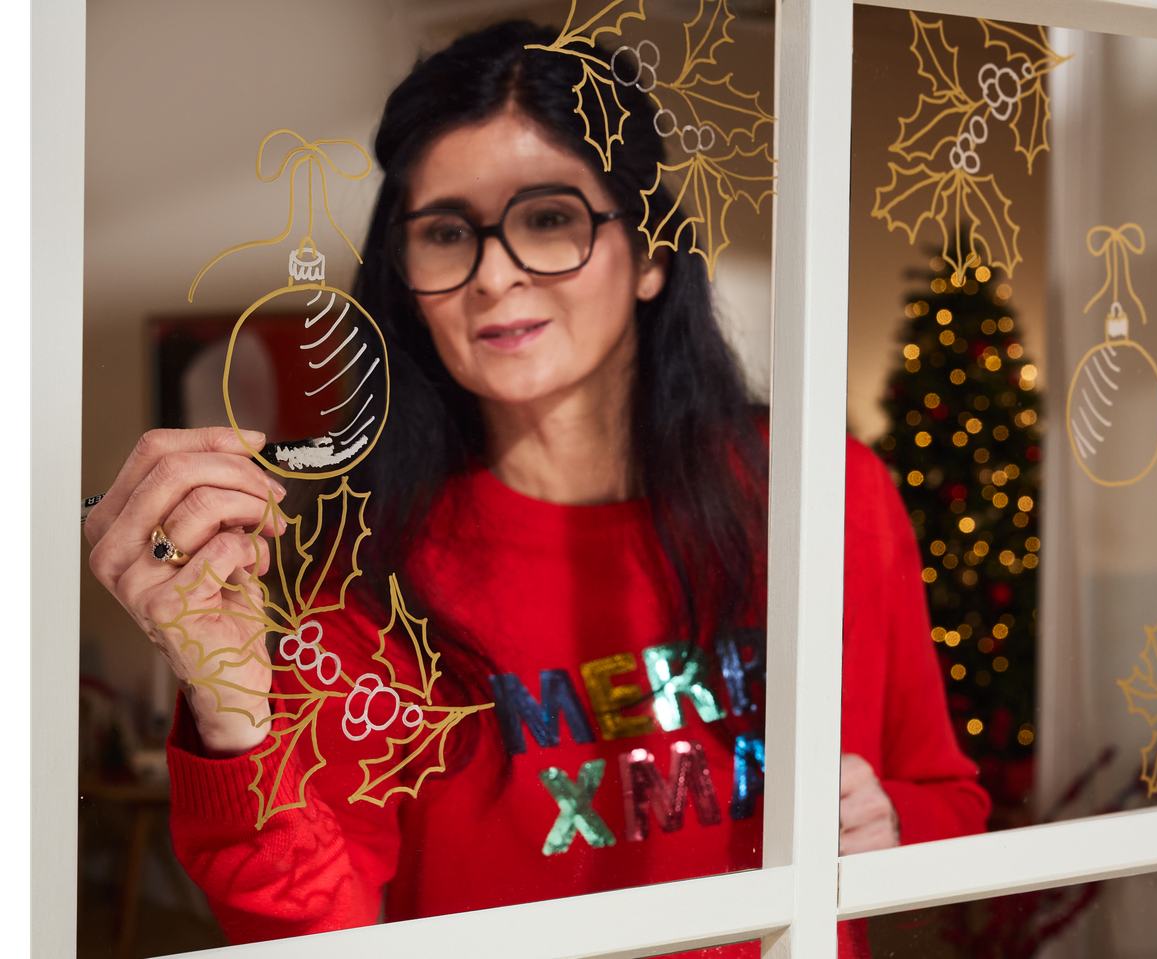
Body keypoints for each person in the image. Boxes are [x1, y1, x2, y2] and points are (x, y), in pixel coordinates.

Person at [85, 20, 988, 957]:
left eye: (549, 217)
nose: (495, 273)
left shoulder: (821, 492)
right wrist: (233, 706)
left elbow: (944, 796)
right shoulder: (364, 579)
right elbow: (315, 927)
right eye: (445, 233)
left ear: (648, 254)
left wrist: (893, 837)